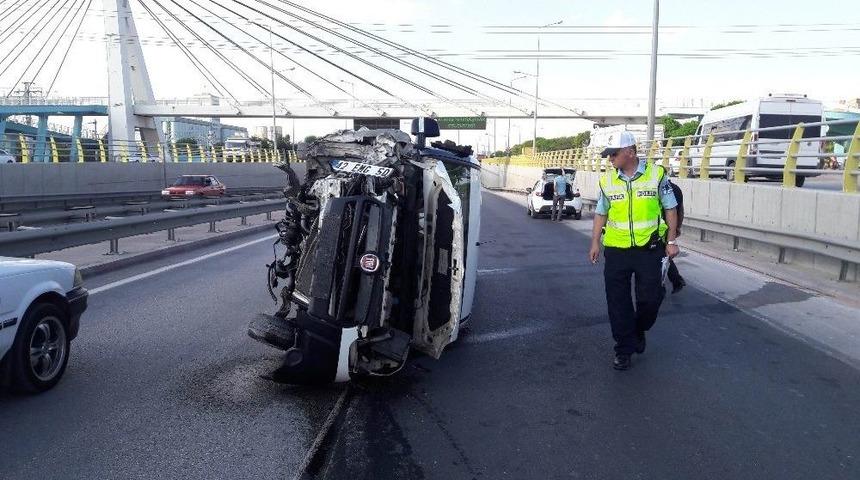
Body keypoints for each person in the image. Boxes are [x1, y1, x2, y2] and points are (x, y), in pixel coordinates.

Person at [588, 131, 679, 371]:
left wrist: (671, 241)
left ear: (630, 152)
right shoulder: (607, 181)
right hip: (616, 251)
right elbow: (601, 212)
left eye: (613, 154)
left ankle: (638, 330)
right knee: (617, 303)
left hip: (648, 249)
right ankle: (623, 349)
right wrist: (595, 242)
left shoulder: (656, 175)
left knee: (650, 300)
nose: (610, 159)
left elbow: (671, 208)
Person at [664, 177, 686, 293]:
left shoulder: (658, 188)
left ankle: (676, 280)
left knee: (662, 255)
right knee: (664, 255)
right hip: (671, 226)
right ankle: (676, 280)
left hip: (661, 226)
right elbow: (680, 211)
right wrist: (677, 227)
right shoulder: (677, 189)